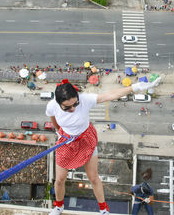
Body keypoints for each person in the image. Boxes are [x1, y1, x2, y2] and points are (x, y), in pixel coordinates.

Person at [46, 78, 161, 215]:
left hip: (85, 139)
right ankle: (59, 206)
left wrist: (135, 87)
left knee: (93, 178)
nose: (73, 109)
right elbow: (53, 118)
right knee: (59, 180)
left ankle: (103, 209)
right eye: (67, 107)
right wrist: (59, 132)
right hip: (66, 141)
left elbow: (110, 95)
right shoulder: (52, 105)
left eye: (75, 104)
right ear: (59, 103)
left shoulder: (84, 100)